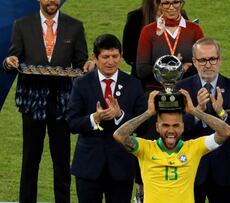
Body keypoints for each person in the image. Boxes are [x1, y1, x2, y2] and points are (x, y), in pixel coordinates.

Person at [2, 0, 88, 202]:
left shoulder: (75, 26)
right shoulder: (22, 24)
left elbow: (81, 61)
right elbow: (12, 57)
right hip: (33, 102)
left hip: (62, 102)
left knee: (61, 160)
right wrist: (10, 61)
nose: (52, 1)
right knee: (30, 159)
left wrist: (88, 65)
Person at [113, 89, 230, 203]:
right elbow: (120, 135)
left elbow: (226, 132)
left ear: (182, 127)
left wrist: (194, 111)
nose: (171, 130)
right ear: (157, 127)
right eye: (165, 125)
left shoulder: (194, 147)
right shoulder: (145, 148)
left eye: (176, 125)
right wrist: (148, 113)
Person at [66, 34, 147, 202]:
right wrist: (94, 118)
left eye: (115, 56)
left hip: (121, 167)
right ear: (95, 58)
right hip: (88, 167)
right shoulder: (81, 84)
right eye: (105, 57)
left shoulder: (134, 85)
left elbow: (142, 126)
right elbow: (71, 123)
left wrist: (120, 116)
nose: (111, 61)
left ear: (121, 56)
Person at [174, 37, 230, 203]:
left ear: (220, 60)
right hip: (191, 167)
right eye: (202, 60)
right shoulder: (181, 89)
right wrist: (197, 110)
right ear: (194, 61)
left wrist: (222, 113)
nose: (208, 65)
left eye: (212, 59)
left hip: (225, 167)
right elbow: (174, 130)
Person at [136, 0, 203, 93]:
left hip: (188, 90)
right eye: (166, 3)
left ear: (181, 3)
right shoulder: (148, 31)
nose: (171, 7)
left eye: (175, 2)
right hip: (157, 92)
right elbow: (141, 70)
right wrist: (176, 69)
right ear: (159, 5)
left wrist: (177, 69)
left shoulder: (195, 29)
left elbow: (203, 64)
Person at [122, 0, 188, 79]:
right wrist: (161, 66)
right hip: (146, 80)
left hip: (177, 77)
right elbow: (129, 55)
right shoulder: (136, 18)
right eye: (165, 3)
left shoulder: (181, 15)